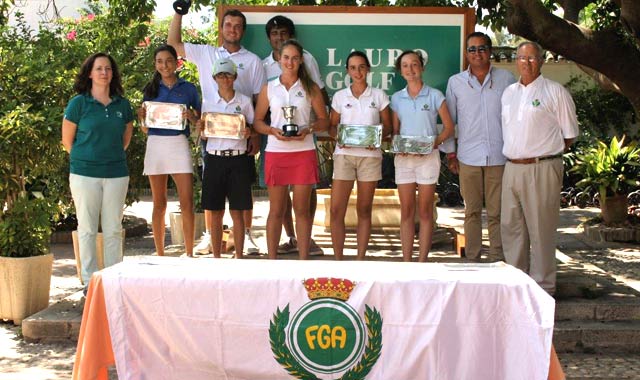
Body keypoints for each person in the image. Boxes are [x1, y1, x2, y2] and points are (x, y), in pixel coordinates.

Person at [168, 8, 265, 255]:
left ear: (242, 31)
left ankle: (244, 239)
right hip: (211, 136)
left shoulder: (253, 60)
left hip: (241, 139)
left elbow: (256, 101)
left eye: (237, 26)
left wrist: (253, 135)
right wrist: (178, 13)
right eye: (228, 25)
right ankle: (213, 240)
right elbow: (173, 43)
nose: (232, 29)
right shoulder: (206, 53)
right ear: (221, 29)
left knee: (241, 197)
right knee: (214, 195)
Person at [500, 41, 578, 295]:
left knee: (541, 231)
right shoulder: (509, 93)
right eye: (522, 58)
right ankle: (516, 286)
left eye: (532, 58)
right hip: (512, 168)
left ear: (542, 61)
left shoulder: (555, 92)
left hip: (541, 167)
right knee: (511, 229)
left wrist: (543, 154)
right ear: (516, 61)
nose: (526, 62)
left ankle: (543, 289)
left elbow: (569, 136)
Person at [61, 52, 134, 286]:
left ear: (113, 74)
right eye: (99, 68)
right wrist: (88, 159)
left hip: (116, 174)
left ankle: (114, 278)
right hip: (84, 174)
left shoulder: (123, 105)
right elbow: (67, 141)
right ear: (90, 73)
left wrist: (107, 158)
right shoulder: (78, 104)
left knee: (113, 228)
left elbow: (125, 139)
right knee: (87, 228)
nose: (104, 73)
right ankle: (88, 281)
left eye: (108, 69)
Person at [253, 39, 329, 260]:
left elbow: (324, 121)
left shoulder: (310, 88)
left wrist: (309, 128)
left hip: (304, 153)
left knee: (302, 211)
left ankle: (303, 261)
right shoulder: (270, 87)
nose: (290, 62)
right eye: (286, 57)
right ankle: (272, 261)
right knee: (276, 210)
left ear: (301, 60)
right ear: (279, 59)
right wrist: (271, 130)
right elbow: (257, 121)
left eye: (295, 58)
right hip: (276, 152)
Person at [444, 32, 516, 262]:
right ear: (466, 54)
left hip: (499, 156)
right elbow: (450, 122)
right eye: (472, 49)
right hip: (468, 156)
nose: (477, 53)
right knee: (471, 211)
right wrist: (451, 153)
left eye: (482, 48)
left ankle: (497, 259)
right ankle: (472, 259)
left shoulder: (507, 79)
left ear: (490, 51)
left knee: (497, 213)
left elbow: (515, 118)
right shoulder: (456, 83)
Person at [391, 50, 455, 262]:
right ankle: (407, 261)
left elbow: (448, 128)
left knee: (426, 211)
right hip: (405, 160)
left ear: (422, 67)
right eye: (406, 66)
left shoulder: (436, 95)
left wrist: (431, 144)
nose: (411, 69)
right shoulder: (396, 99)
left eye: (415, 64)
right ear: (401, 71)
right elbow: (395, 132)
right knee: (407, 211)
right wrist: (399, 145)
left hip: (428, 159)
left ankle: (422, 262)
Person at [138, 44, 201, 258]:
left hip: (178, 143)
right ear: (155, 64)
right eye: (159, 61)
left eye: (168, 60)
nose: (164, 65)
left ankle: (190, 252)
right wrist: (141, 118)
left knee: (187, 201)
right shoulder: (150, 88)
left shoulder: (189, 88)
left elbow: (200, 120)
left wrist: (191, 117)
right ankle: (160, 253)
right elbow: (145, 126)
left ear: (176, 62)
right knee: (159, 203)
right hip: (155, 144)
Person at [328, 51, 392, 260]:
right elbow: (331, 128)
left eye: (362, 67)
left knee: (364, 209)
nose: (358, 71)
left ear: (368, 69)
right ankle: (339, 261)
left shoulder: (379, 95)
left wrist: (377, 138)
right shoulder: (339, 96)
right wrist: (339, 136)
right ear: (347, 71)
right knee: (337, 210)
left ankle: (360, 260)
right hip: (344, 156)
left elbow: (388, 128)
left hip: (370, 158)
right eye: (353, 67)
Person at [197, 58, 255, 259]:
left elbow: (252, 128)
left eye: (228, 74)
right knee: (215, 211)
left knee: (238, 212)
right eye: (220, 75)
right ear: (214, 78)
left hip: (238, 159)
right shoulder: (208, 102)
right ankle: (217, 258)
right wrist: (200, 129)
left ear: (235, 77)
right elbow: (204, 133)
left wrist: (249, 132)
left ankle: (239, 256)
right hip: (214, 159)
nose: (225, 79)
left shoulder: (245, 101)